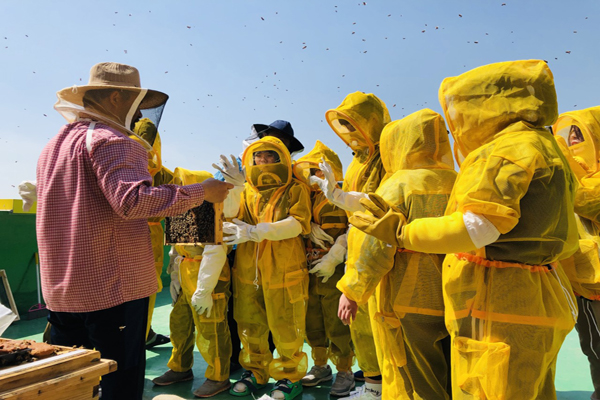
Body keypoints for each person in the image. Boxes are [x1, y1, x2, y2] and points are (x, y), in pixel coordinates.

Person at [350, 60, 579, 399]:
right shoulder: (545, 146)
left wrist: (402, 233)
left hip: (499, 302)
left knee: (488, 388)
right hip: (533, 294)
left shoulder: (506, 151)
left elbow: (480, 227)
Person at [36, 62, 232, 400]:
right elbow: (132, 203)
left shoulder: (55, 146)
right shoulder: (115, 141)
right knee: (119, 382)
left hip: (63, 291)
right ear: (115, 98)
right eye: (136, 104)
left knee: (73, 385)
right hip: (112, 291)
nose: (140, 112)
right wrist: (204, 192)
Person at [337, 109, 455, 399]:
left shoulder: (398, 185)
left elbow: (375, 246)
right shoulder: (457, 180)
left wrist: (351, 290)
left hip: (408, 296)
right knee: (452, 370)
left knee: (412, 375)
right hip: (455, 293)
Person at [312, 91, 389, 399]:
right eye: (343, 124)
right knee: (363, 328)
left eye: (352, 123)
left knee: (384, 327)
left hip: (380, 252)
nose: (348, 131)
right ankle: (373, 388)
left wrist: (341, 198)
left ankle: (385, 389)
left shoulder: (388, 157)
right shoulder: (359, 161)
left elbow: (383, 206)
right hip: (357, 252)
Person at [225, 136, 311, 400]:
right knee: (250, 321)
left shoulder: (295, 189)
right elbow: (230, 215)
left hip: (285, 267)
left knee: (287, 323)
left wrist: (255, 232)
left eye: (268, 155)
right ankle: (255, 371)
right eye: (257, 156)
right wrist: (234, 188)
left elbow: (297, 223)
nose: (261, 161)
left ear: (280, 159)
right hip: (249, 269)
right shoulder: (248, 191)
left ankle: (289, 376)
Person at [153, 168, 233, 398]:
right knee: (180, 324)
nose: (181, 189)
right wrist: (176, 281)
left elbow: (215, 252)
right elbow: (176, 252)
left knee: (212, 330)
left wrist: (204, 290)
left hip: (208, 278)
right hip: (186, 275)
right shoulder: (180, 212)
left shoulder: (212, 211)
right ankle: (179, 368)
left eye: (183, 184)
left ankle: (218, 377)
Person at [293, 141, 356, 397]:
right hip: (309, 267)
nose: (314, 177)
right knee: (313, 320)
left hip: (335, 269)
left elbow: (354, 228)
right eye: (311, 171)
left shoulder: (345, 195)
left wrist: (336, 255)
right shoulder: (306, 196)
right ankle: (321, 366)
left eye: (318, 171)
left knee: (337, 321)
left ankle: (345, 371)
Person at [554, 107, 600, 400]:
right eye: (569, 134)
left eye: (579, 134)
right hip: (581, 285)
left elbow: (587, 201)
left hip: (593, 286)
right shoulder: (577, 175)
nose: (572, 140)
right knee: (593, 349)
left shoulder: (584, 181)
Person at [132, 118, 173, 350]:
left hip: (149, 239)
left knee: (147, 291)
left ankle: (144, 333)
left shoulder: (164, 174)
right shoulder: (120, 164)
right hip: (133, 237)